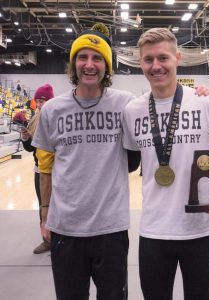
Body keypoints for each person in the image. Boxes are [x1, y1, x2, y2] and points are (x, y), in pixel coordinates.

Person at [122, 28, 209, 300]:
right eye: (148, 59)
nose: (156, 66)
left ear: (177, 58)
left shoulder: (206, 102)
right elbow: (128, 163)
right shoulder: (132, 111)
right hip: (153, 231)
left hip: (200, 229)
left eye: (163, 58)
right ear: (140, 62)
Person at [32, 23, 141, 300]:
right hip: (65, 227)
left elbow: (161, 98)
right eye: (83, 57)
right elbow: (45, 168)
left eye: (97, 58)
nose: (89, 65)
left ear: (107, 66)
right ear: (73, 63)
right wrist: (45, 212)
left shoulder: (126, 104)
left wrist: (198, 95)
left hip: (111, 228)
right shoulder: (53, 110)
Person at [21, 84, 54, 254]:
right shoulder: (34, 119)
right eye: (38, 101)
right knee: (43, 205)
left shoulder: (55, 117)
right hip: (39, 170)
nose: (40, 104)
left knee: (57, 206)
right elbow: (29, 149)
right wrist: (26, 139)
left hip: (56, 172)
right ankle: (46, 239)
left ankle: (60, 241)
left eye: (43, 100)